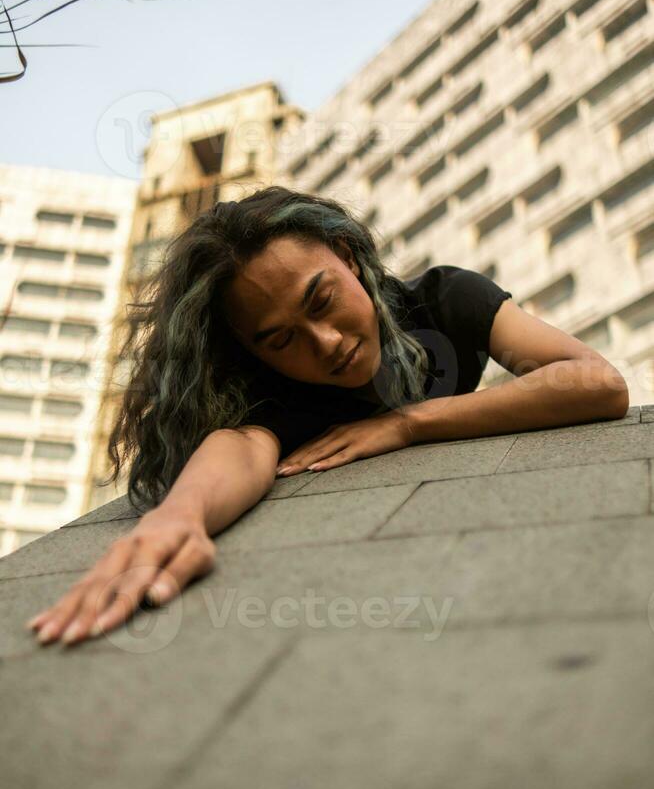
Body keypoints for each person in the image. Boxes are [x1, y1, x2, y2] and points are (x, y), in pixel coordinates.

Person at [25, 185, 629, 647]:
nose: (326, 343)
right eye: (281, 338)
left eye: (322, 300)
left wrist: (408, 424)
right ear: (254, 351)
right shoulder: (275, 393)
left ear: (346, 256)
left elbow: (597, 382)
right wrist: (179, 517)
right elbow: (238, 448)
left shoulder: (444, 300)